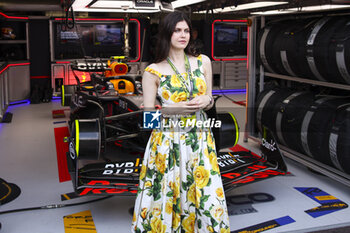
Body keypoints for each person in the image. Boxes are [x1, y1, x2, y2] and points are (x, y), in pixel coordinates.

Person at [132, 11, 230, 233]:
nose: (183, 35)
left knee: (205, 193)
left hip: (200, 141)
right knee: (170, 194)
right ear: (167, 33)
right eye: (177, 30)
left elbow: (209, 102)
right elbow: (148, 118)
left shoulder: (203, 62)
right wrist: (170, 109)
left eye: (186, 30)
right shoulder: (153, 71)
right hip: (168, 143)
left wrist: (207, 99)